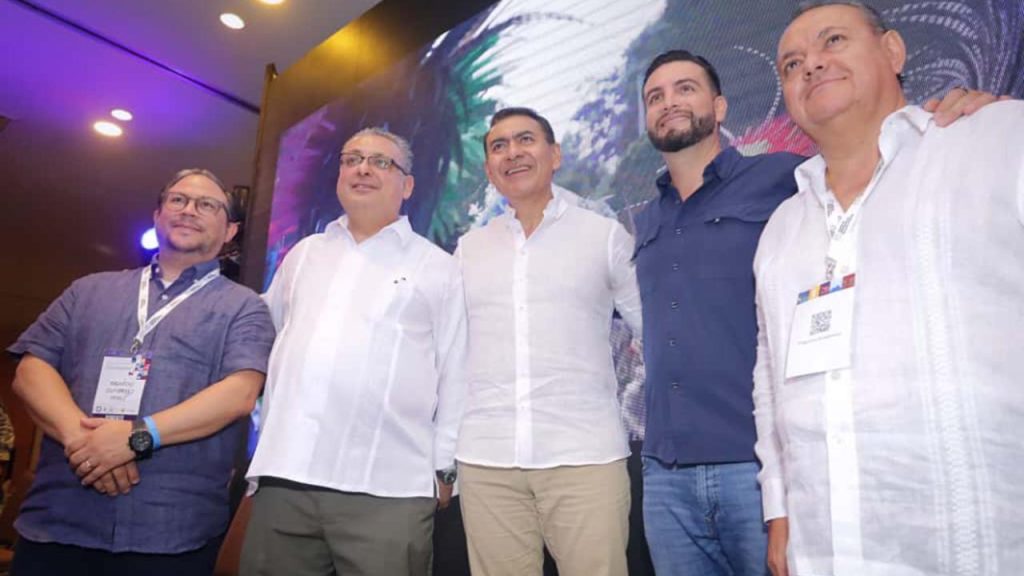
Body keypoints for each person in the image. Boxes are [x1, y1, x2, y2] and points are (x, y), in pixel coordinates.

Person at [635, 46, 1006, 574]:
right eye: (655, 97)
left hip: (755, 467)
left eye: (685, 89)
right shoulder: (646, 219)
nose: (669, 102)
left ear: (719, 107)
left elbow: (877, 159)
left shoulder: (784, 177)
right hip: (665, 476)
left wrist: (963, 113)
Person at [752, 2, 1023, 575]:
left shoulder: (999, 139)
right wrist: (779, 507)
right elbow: (770, 380)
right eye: (792, 64)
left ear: (892, 51)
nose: (811, 64)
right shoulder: (781, 229)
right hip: (823, 552)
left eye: (833, 41)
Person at [7, 168, 275, 575]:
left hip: (170, 533)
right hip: (57, 520)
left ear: (230, 231)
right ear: (157, 215)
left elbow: (239, 394)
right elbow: (30, 370)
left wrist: (135, 439)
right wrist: (86, 443)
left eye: (207, 205)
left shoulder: (245, 307)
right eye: (178, 200)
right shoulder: (87, 290)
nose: (189, 210)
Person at [241, 127, 467, 576]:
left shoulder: (439, 268)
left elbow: (457, 372)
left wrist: (446, 468)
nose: (363, 169)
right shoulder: (304, 255)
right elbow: (264, 336)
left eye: (381, 162)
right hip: (286, 477)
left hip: (389, 488)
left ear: (407, 185)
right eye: (352, 159)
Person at [455, 107, 642, 576]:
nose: (512, 153)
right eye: (499, 146)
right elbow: (450, 353)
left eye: (526, 140)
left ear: (555, 155)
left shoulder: (603, 236)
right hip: (487, 460)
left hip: (585, 457)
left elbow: (653, 333)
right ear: (489, 169)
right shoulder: (469, 250)